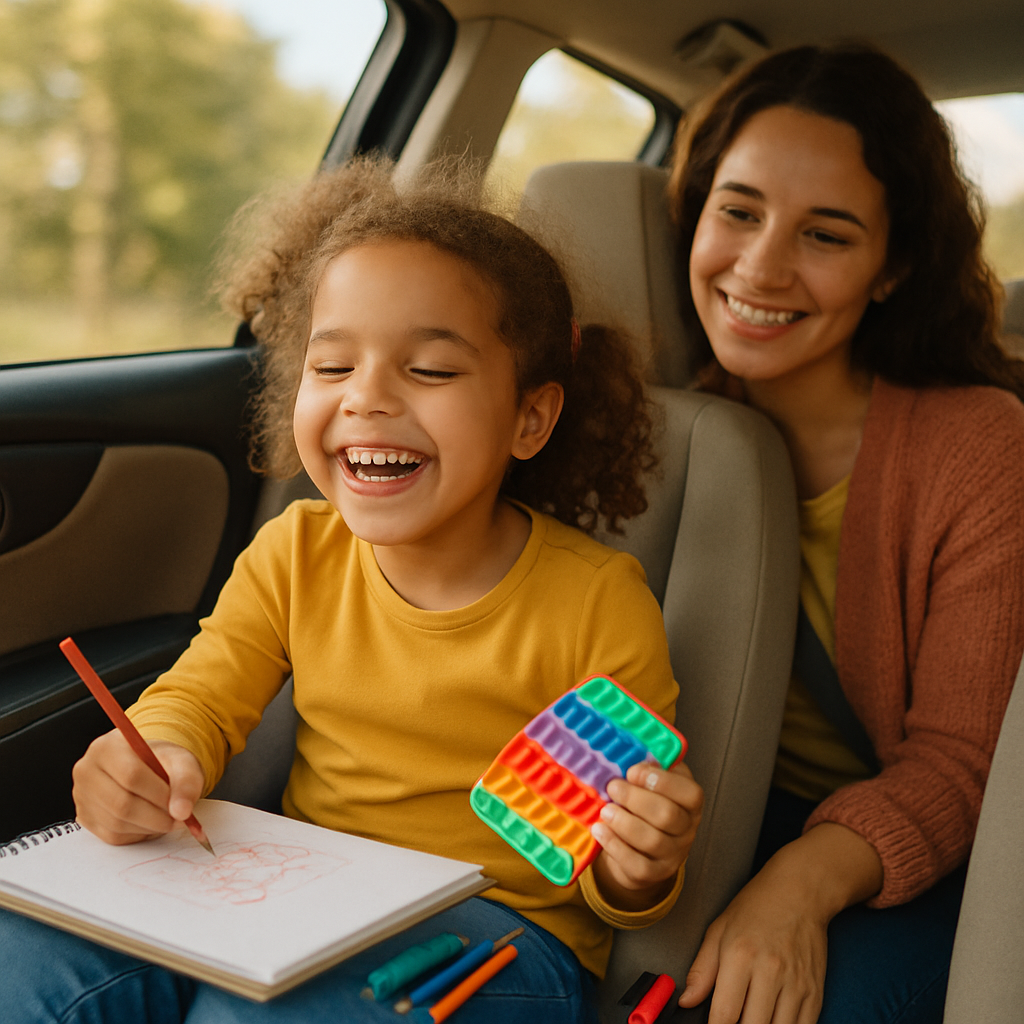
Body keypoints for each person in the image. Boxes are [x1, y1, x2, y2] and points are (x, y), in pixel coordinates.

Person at [0, 158, 703, 1023]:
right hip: (301, 892)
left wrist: (639, 867)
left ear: (530, 417)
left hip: (496, 935)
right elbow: (203, 694)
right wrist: (158, 754)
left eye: (432, 372)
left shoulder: (598, 600)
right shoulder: (296, 549)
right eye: (332, 368)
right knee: (23, 966)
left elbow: (613, 866)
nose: (367, 398)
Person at [666, 43, 1024, 1024]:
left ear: (890, 267)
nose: (760, 265)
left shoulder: (978, 448)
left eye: (824, 235)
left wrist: (794, 885)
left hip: (915, 848)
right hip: (706, 816)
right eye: (737, 210)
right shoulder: (647, 431)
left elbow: (961, 765)